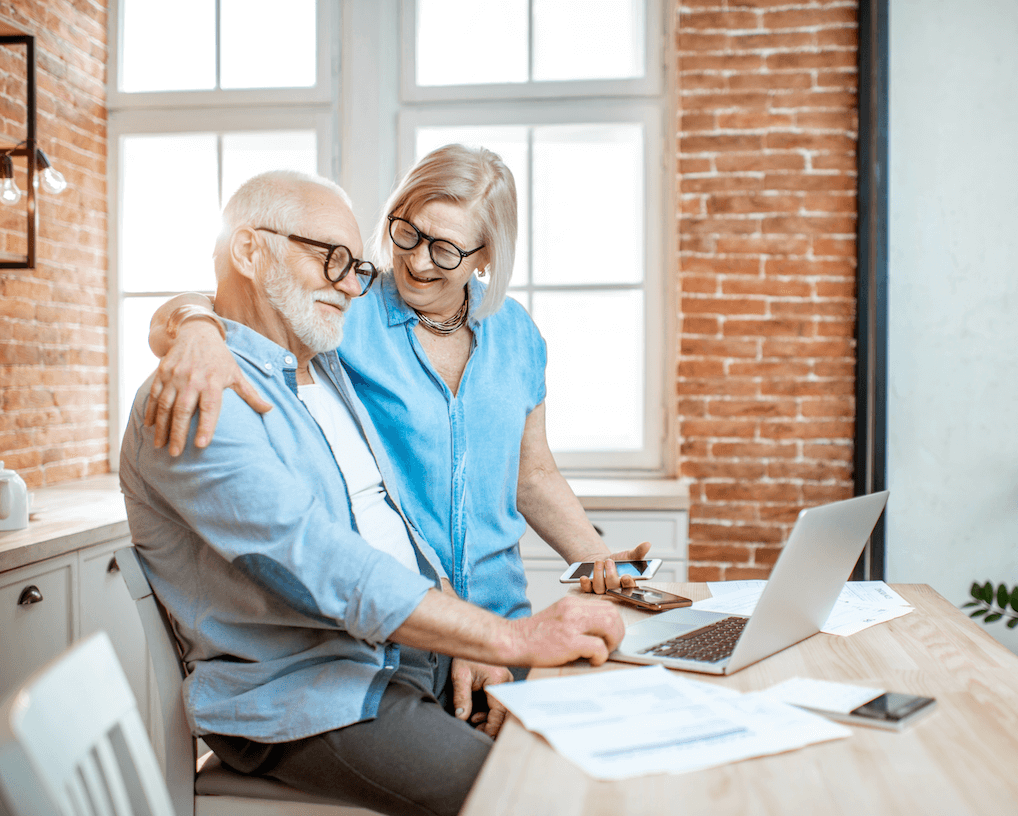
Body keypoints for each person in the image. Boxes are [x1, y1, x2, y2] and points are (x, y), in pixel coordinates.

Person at [120, 170, 625, 816]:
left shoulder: (324, 366)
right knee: (529, 795)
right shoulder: (203, 394)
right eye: (329, 258)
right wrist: (505, 638)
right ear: (250, 251)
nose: (352, 283)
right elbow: (319, 559)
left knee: (592, 742)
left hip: (404, 660)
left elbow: (392, 527)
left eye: (356, 265)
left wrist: (466, 643)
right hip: (310, 696)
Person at [145, 144, 648, 618]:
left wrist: (602, 562)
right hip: (400, 621)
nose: (417, 260)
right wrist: (196, 329)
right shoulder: (347, 306)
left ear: (487, 256)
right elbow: (231, 299)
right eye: (409, 232)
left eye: (446, 250)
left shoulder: (516, 333)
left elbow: (532, 475)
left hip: (506, 614)